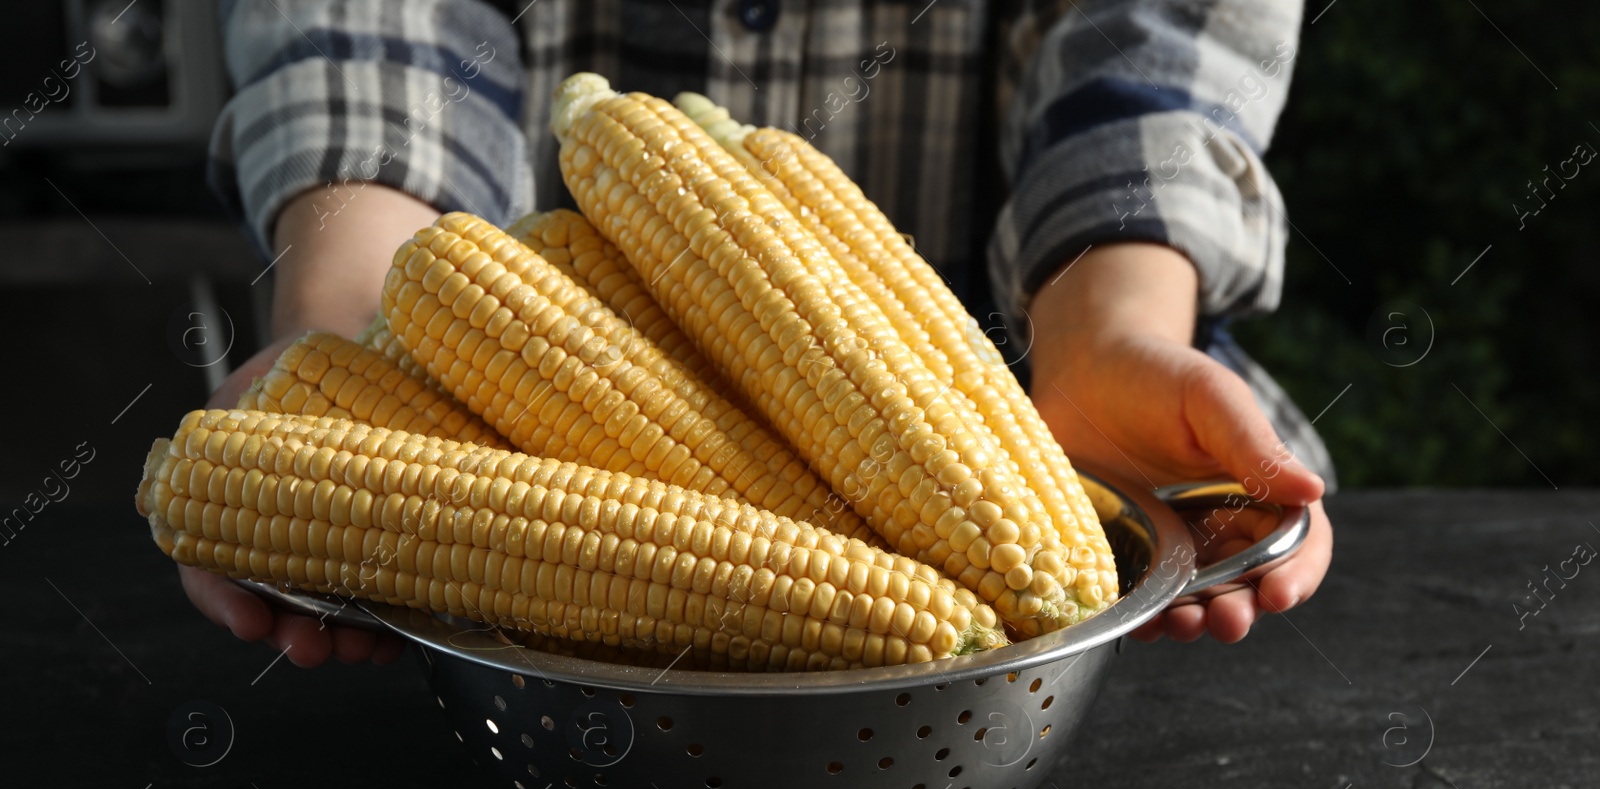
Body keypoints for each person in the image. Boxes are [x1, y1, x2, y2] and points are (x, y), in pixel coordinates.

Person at [191, 0, 1333, 667]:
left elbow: (1153, 30)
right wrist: (347, 329)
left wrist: (1109, 323)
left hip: (1020, 381)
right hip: (509, 426)